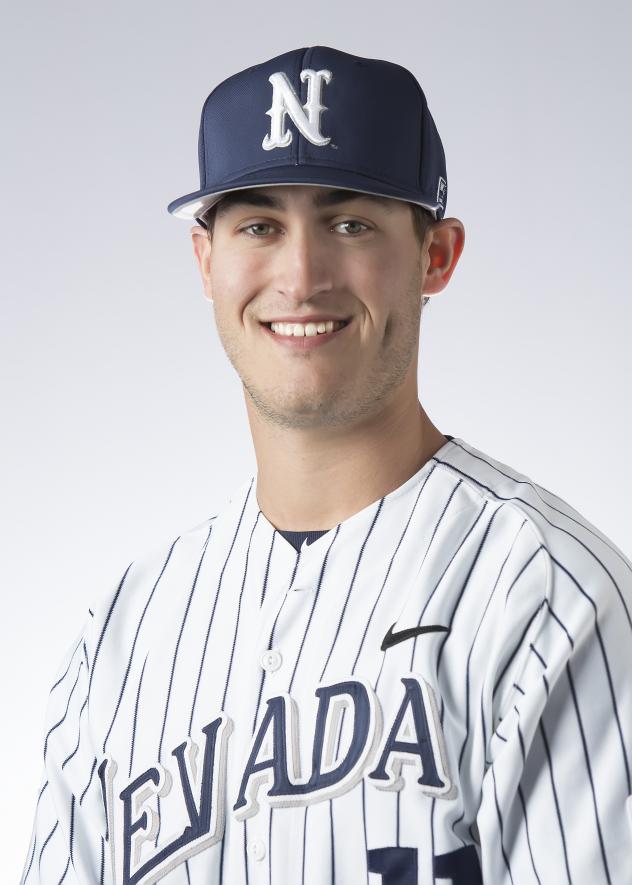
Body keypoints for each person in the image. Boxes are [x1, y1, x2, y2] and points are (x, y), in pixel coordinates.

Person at [21, 44, 632, 885]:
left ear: (436, 256)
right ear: (207, 261)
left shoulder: (550, 596)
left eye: (351, 223)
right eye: (259, 225)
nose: (301, 275)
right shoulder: (121, 639)